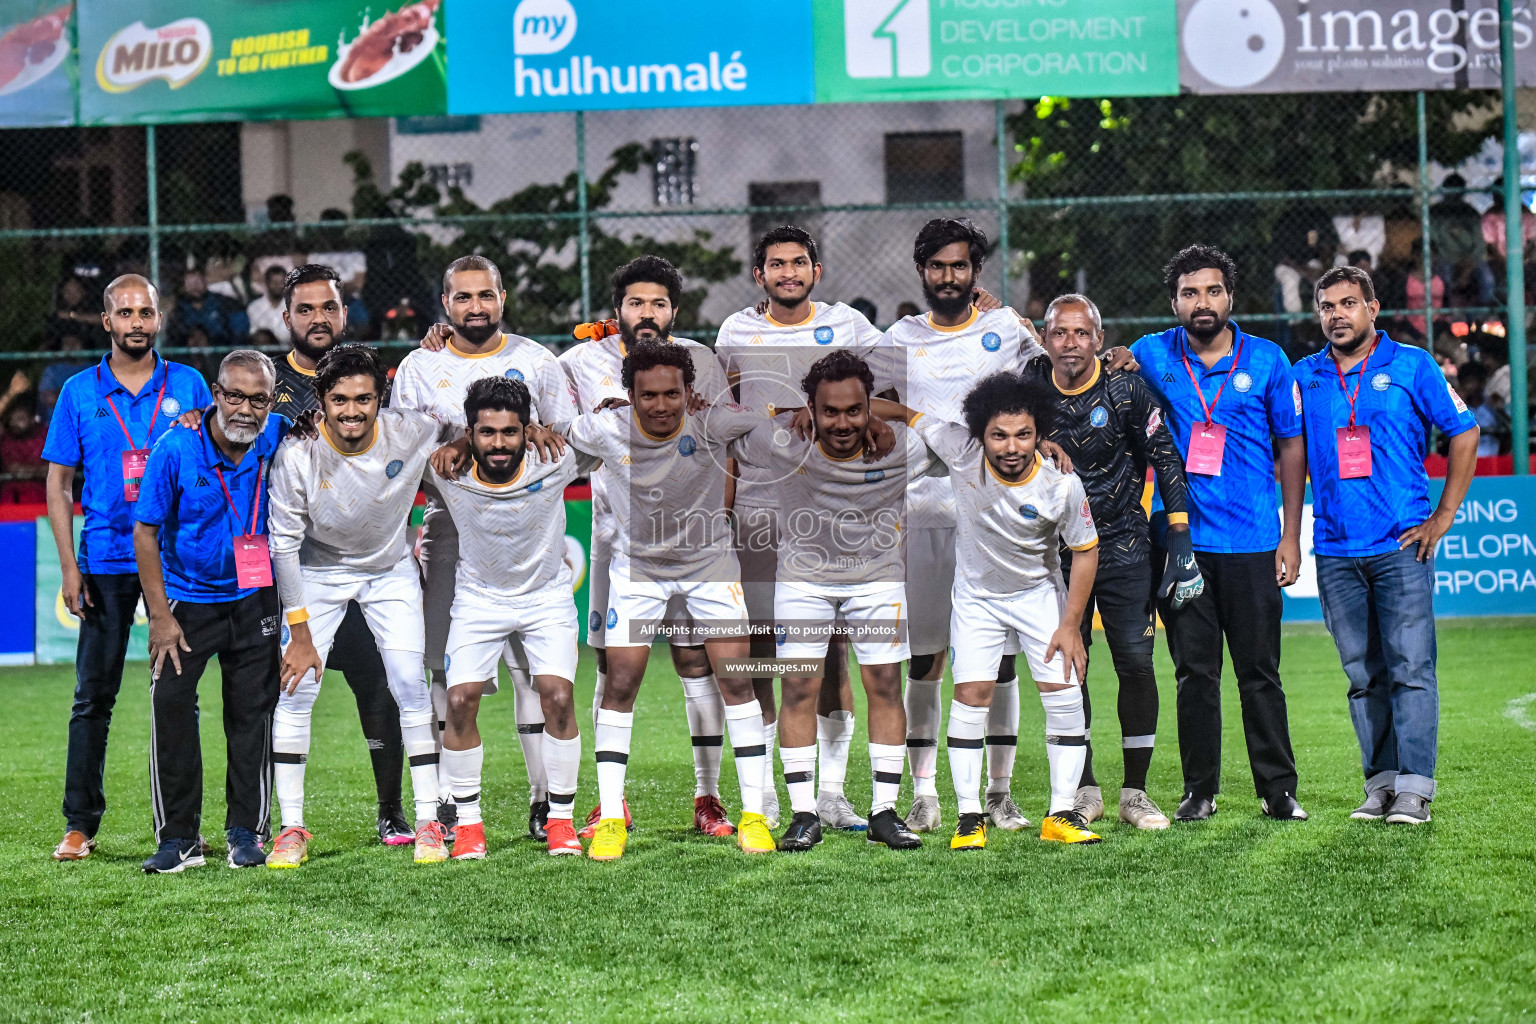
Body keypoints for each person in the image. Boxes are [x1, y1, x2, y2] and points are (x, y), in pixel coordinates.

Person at [869, 375, 1104, 848]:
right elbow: (910, 415)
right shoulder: (961, 450)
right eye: (999, 435)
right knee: (972, 694)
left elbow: (1085, 550)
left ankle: (1061, 813)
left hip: (1039, 596)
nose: (1011, 446)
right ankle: (969, 817)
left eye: (1023, 434)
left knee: (1065, 694)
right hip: (977, 600)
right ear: (981, 434)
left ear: (1040, 435)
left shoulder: (1062, 483)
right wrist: (859, 409)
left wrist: (1071, 625)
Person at [561, 340, 773, 860]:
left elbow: (770, 420)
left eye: (672, 394)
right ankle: (612, 817)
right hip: (641, 573)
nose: (661, 405)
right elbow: (555, 436)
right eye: (648, 395)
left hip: (711, 568)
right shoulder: (605, 429)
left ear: (689, 393)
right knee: (621, 680)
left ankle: (752, 816)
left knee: (737, 680)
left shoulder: (714, 423)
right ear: (627, 395)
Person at [391, 255, 576, 840]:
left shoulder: (536, 361)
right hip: (448, 524)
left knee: (533, 674)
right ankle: (450, 805)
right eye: (463, 298)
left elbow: (565, 433)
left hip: (524, 522)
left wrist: (547, 431)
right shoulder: (420, 364)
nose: (475, 307)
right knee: (448, 669)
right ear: (445, 305)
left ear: (503, 299)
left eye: (485, 296)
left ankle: (545, 799)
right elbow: (403, 443)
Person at [714, 226, 888, 831]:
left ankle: (832, 795)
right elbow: (726, 416)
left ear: (817, 269)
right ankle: (762, 793)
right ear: (759, 275)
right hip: (761, 506)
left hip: (832, 507)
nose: (788, 272)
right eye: (776, 265)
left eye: (799, 263)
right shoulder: (734, 331)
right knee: (768, 650)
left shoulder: (849, 327)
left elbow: (892, 379)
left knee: (835, 652)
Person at [1131, 245, 1308, 822]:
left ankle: (1278, 790)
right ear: (1174, 301)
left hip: (1255, 542)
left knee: (1260, 672)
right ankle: (1199, 790)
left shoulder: (1270, 359)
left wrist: (1289, 535)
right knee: (1194, 675)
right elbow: (1081, 363)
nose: (1201, 302)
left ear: (1230, 296)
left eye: (1211, 291)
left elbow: (1290, 447)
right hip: (1183, 545)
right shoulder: (1150, 354)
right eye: (1189, 293)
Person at [1297, 266, 1479, 825]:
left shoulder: (1413, 365)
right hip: (1333, 550)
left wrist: (1443, 515)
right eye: (1327, 306)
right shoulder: (1305, 375)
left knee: (1410, 669)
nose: (1337, 315)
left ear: (1372, 309)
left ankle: (1416, 790)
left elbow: (1464, 431)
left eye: (1348, 304)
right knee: (1362, 675)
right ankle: (1380, 785)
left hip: (1401, 546)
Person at [884, 218, 1046, 834]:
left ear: (976, 272)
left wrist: (1118, 358)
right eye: (937, 266)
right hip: (922, 514)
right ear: (922, 271)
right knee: (924, 659)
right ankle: (924, 792)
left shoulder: (1005, 329)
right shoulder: (897, 337)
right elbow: (872, 406)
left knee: (1000, 662)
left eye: (959, 266)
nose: (948, 277)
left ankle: (1000, 793)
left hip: (994, 518)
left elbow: (1053, 372)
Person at [42, 275, 211, 862]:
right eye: (125, 313)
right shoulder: (78, 392)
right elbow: (59, 484)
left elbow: (215, 462)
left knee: (179, 696)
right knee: (94, 696)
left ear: (158, 319)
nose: (137, 322)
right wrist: (69, 566)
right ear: (107, 321)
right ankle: (80, 824)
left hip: (174, 562)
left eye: (147, 312)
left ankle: (183, 826)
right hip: (106, 564)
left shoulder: (189, 384)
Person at [266, 344, 450, 868]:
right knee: (296, 690)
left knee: (410, 686)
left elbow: (467, 428)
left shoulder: (413, 430)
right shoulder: (297, 453)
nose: (353, 410)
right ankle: (291, 827)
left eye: (364, 399)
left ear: (380, 398)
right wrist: (299, 634)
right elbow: (282, 546)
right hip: (318, 573)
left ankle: (428, 821)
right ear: (320, 402)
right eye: (339, 400)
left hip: (389, 570)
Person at [739, 350, 931, 852]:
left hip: (877, 580)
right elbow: (724, 423)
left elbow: (955, 434)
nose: (842, 422)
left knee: (885, 684)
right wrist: (785, 415)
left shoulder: (902, 447)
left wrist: (901, 414)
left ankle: (884, 814)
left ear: (870, 407)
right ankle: (804, 815)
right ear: (812, 409)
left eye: (854, 410)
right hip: (803, 582)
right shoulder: (784, 442)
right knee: (799, 687)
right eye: (830, 411)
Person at [1025, 294, 1202, 830]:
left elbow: (1166, 456)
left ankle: (1135, 791)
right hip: (1055, 552)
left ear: (1099, 340)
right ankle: (1084, 789)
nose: (1070, 343)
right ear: (1046, 338)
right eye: (1060, 333)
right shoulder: (1030, 385)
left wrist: (1178, 535)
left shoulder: (1126, 387)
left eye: (1082, 333)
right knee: (1068, 667)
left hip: (1124, 546)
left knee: (1136, 663)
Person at [271, 264, 413, 846]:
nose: (317, 318)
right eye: (305, 309)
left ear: (344, 312)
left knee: (379, 685)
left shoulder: (376, 375)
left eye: (327, 307)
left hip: (372, 563)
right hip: (296, 570)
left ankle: (392, 810)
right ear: (286, 318)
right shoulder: (266, 380)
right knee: (282, 689)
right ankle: (272, 821)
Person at [132, 350, 287, 873]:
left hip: (254, 599)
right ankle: (178, 838)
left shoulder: (279, 435)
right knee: (171, 709)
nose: (246, 409)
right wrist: (159, 615)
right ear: (215, 395)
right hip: (187, 603)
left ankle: (246, 833)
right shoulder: (175, 446)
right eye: (235, 396)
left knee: (251, 716)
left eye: (259, 398)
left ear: (271, 401)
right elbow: (146, 533)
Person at [431, 377, 591, 858]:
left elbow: (614, 431)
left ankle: (560, 819)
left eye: (509, 432)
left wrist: (549, 426)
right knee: (459, 701)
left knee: (558, 697)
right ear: (470, 433)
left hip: (546, 598)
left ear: (527, 431)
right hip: (479, 600)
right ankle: (469, 825)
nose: (498, 443)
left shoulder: (557, 459)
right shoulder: (445, 470)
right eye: (486, 433)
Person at [167, 269, 248, 348]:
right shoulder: (179, 308)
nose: (195, 287)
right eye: (190, 283)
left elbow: (239, 325)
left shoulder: (223, 302)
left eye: (198, 282)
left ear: (205, 282)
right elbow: (174, 333)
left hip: (219, 347)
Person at [0, 376, 45, 504]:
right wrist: (10, 394)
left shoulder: (45, 434)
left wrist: (28, 471)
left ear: (32, 419)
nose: (14, 423)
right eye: (11, 419)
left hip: (40, 496)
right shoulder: (5, 435)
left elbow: (60, 469)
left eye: (20, 419)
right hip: (9, 498)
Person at [1452, 361, 1503, 457]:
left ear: (1481, 382)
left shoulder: (1491, 403)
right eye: (1464, 382)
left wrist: (1498, 409)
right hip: (1466, 461)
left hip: (1493, 460)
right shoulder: (1458, 406)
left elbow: (1507, 430)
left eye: (1471, 381)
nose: (1468, 386)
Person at [246, 266, 289, 338]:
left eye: (281, 282)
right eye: (274, 282)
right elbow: (253, 333)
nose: (278, 286)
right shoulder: (254, 307)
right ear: (266, 283)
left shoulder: (293, 306)